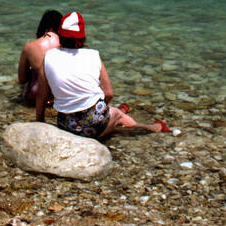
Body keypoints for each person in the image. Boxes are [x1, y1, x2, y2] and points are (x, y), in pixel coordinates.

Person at [37, 12, 168, 137]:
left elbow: (41, 94)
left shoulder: (49, 56)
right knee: (117, 114)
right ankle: (150, 128)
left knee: (100, 110)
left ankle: (110, 113)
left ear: (60, 35)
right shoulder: (92, 55)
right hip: (94, 126)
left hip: (66, 125)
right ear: (83, 37)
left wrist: (40, 121)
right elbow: (109, 93)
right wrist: (98, 110)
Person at [17, 10, 62, 107]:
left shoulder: (29, 47)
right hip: (60, 98)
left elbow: (22, 79)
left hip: (35, 97)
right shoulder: (68, 46)